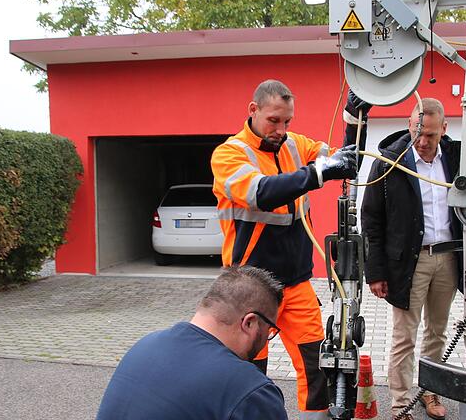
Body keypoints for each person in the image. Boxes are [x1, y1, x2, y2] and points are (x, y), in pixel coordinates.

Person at [210, 79, 358, 420]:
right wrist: (318, 173)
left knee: (314, 361)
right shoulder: (229, 154)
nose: (281, 129)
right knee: (248, 367)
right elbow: (261, 192)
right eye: (274, 120)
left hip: (295, 283)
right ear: (253, 110)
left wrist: (354, 118)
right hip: (250, 285)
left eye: (287, 121)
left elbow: (342, 161)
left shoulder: (296, 145)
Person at [361, 98, 462, 420]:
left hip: (447, 258)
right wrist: (376, 272)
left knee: (438, 332)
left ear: (444, 129)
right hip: (409, 263)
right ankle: (401, 403)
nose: (422, 141)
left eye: (430, 135)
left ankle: (430, 393)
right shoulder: (390, 163)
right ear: (409, 125)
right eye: (417, 132)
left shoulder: (459, 158)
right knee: (405, 336)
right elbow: (371, 220)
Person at [95, 265, 288, 420]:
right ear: (250, 322)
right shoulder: (250, 391)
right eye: (269, 331)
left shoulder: (144, 345)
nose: (266, 340)